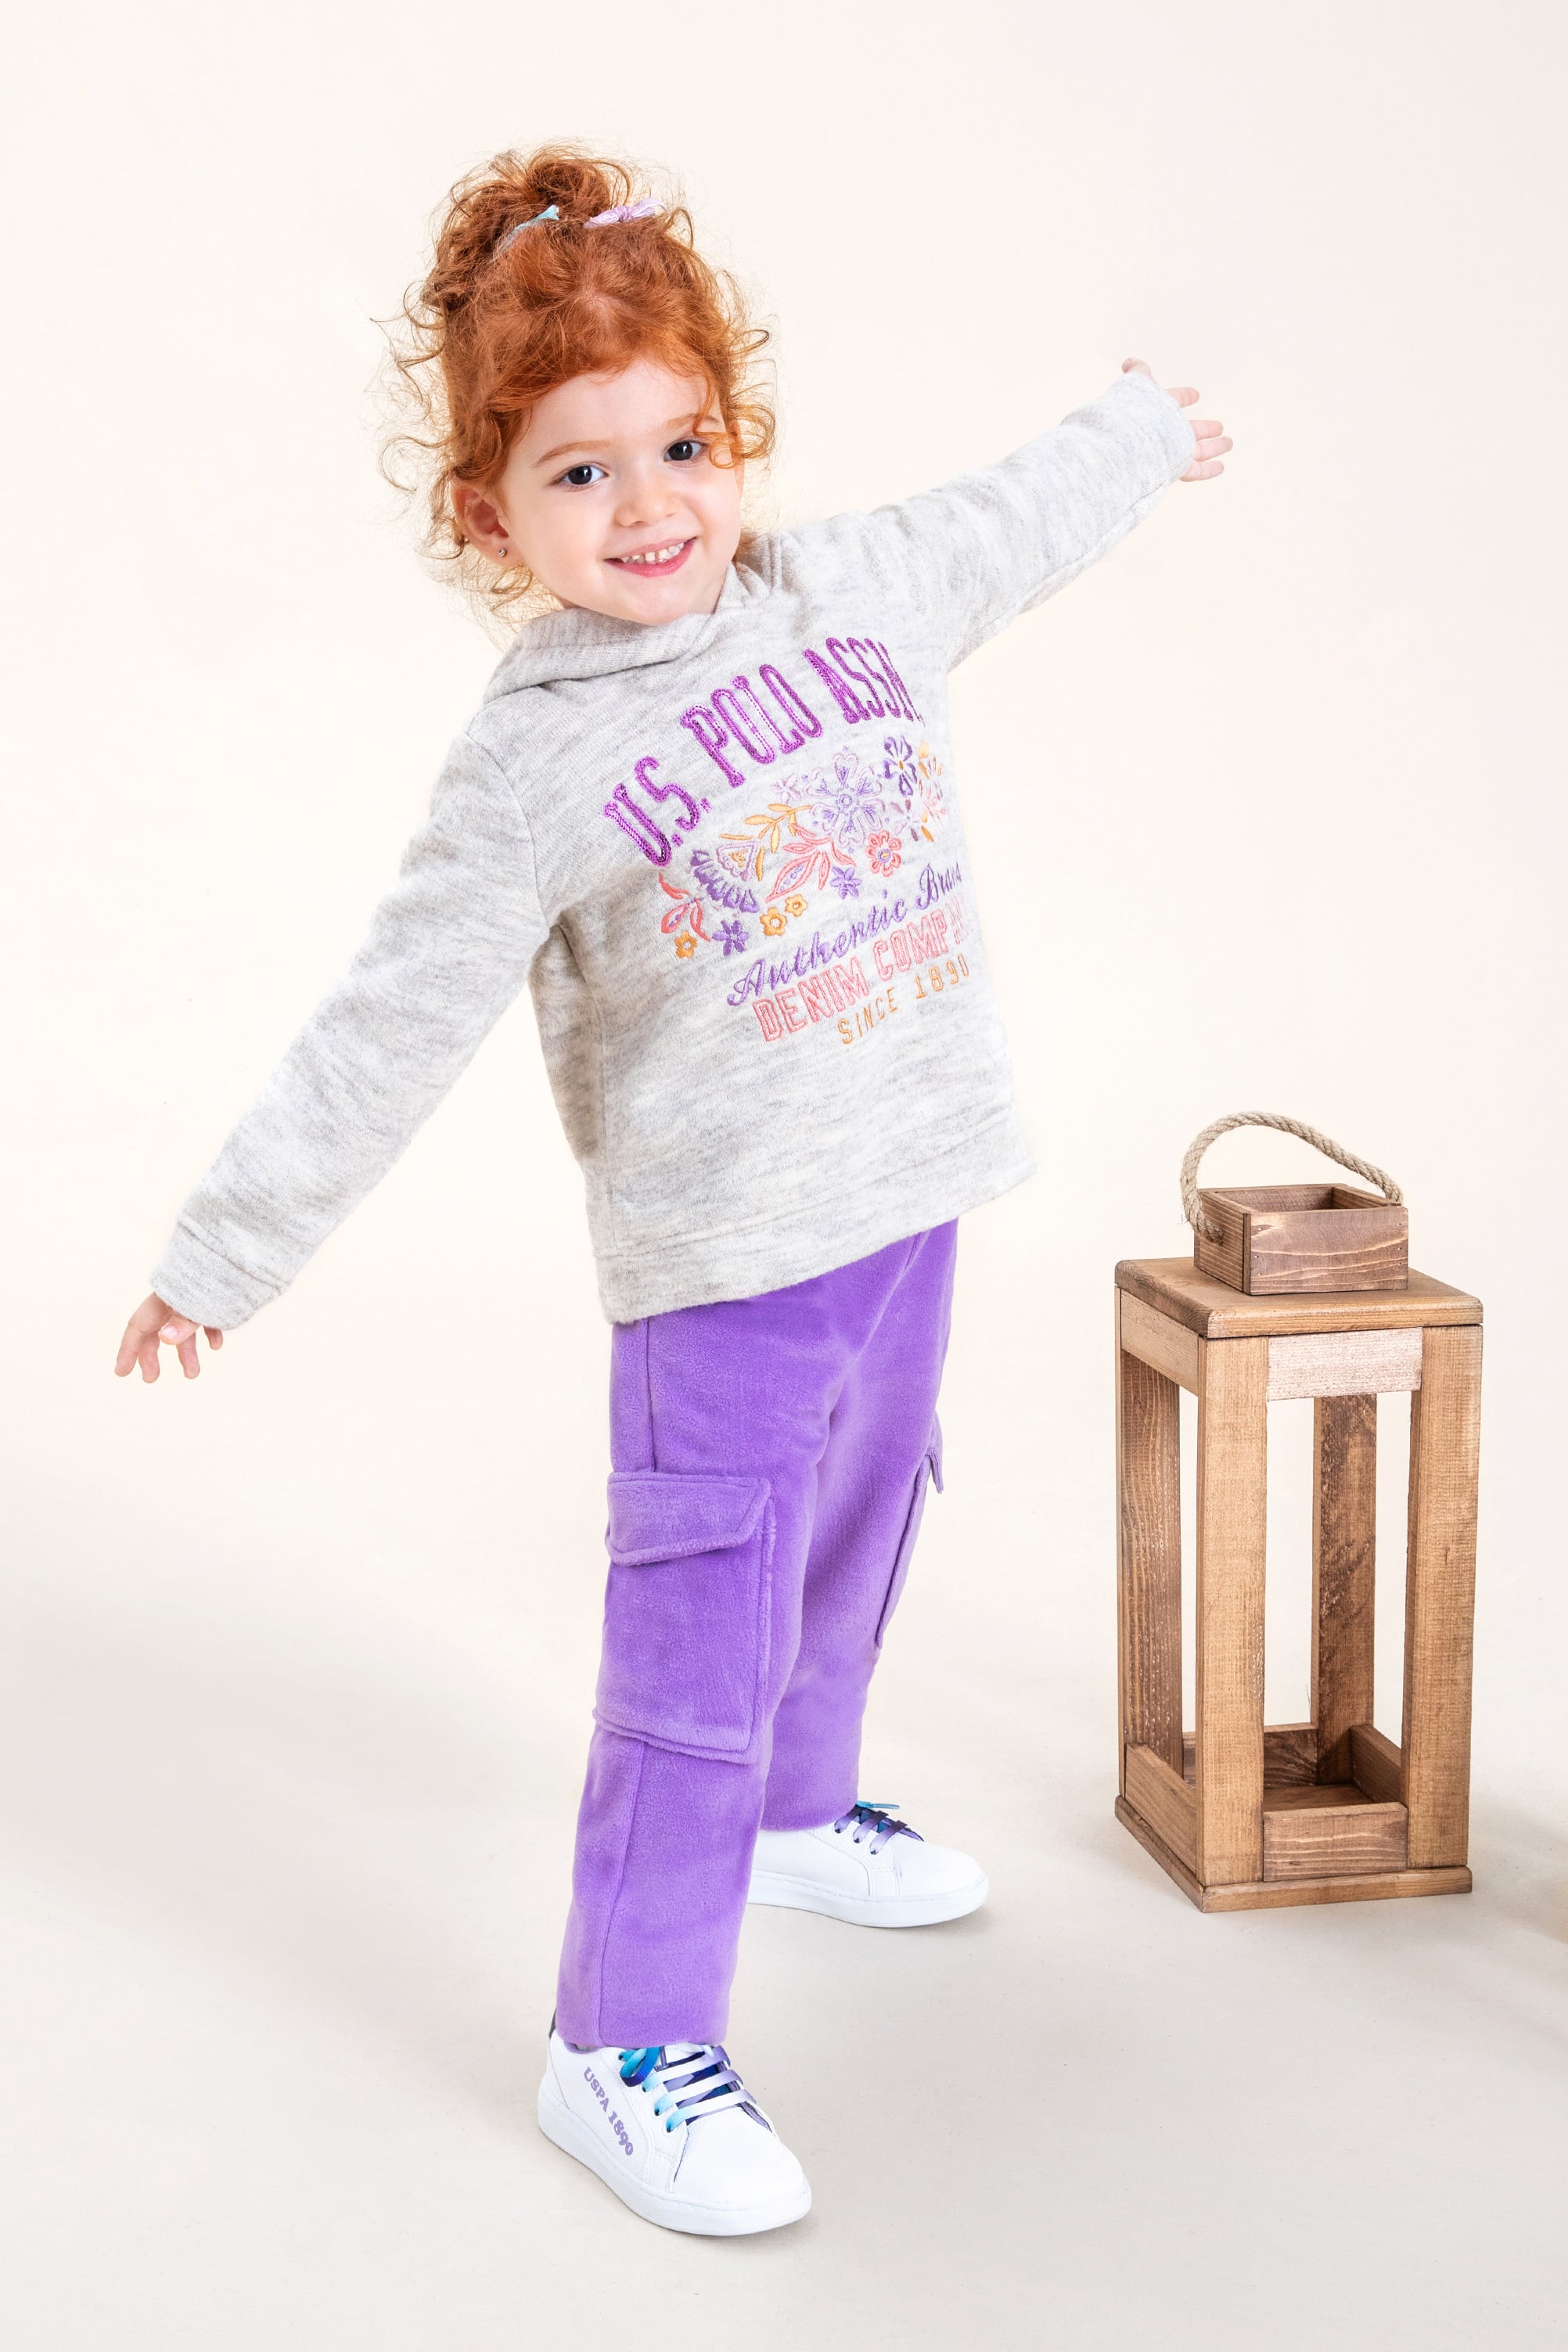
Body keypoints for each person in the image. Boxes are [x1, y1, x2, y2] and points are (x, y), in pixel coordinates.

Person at [114, 146, 1228, 2237]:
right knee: (695, 1647)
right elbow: (387, 1021)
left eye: (684, 447)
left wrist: (1142, 433)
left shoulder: (854, 588)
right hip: (723, 1273)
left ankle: (803, 1817)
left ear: (738, 437)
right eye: (578, 472)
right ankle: (620, 2039)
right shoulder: (533, 756)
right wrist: (225, 1252)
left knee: (861, 1530)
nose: (649, 507)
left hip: (906, 1202)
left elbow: (1015, 513)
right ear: (488, 515)